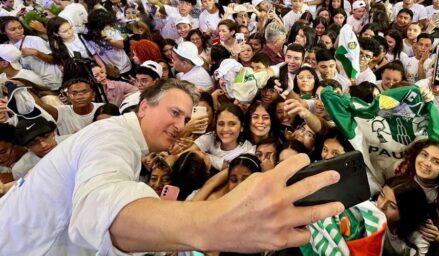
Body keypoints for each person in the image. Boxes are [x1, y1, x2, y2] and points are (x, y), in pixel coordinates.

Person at [0, 78, 344, 254]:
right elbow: (103, 210)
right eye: (174, 112)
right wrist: (215, 222)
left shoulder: (121, 144)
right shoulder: (111, 138)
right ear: (144, 108)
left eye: (186, 117)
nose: (180, 125)